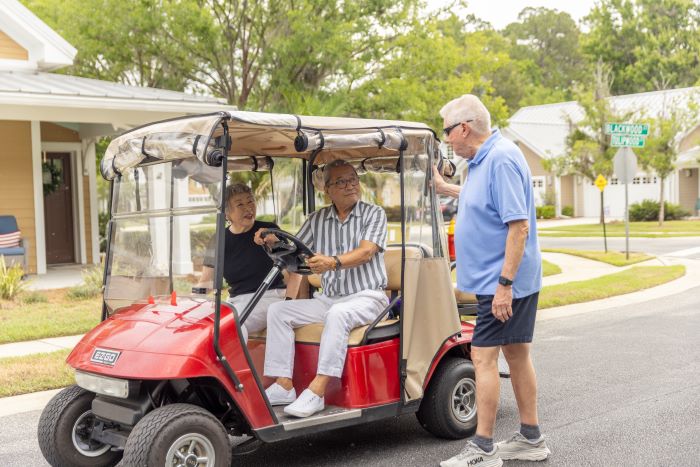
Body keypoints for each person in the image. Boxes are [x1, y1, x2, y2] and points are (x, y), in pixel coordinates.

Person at [434, 95, 549, 467]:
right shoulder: (482, 160)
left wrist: (504, 285)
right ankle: (531, 438)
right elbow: (482, 201)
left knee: (483, 357)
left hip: (501, 283)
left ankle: (482, 449)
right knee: (516, 354)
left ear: (464, 128)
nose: (447, 139)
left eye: (447, 131)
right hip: (495, 282)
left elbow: (519, 226)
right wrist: (445, 187)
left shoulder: (499, 158)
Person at [254, 160, 388, 418]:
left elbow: (366, 252)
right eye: (341, 182)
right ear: (326, 190)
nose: (350, 185)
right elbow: (295, 247)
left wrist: (332, 262)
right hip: (330, 298)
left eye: (353, 179)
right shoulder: (317, 219)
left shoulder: (374, 213)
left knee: (337, 315)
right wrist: (271, 241)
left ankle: (317, 391)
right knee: (279, 311)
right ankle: (283, 384)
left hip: (368, 296)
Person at [199, 183, 287, 342]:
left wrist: (274, 244)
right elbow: (206, 280)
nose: (248, 208)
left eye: (250, 201)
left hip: (270, 298)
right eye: (240, 204)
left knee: (231, 324)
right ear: (227, 213)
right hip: (235, 302)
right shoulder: (219, 239)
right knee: (205, 325)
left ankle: (234, 367)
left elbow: (291, 263)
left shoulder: (269, 231)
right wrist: (191, 305)